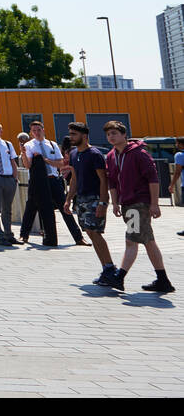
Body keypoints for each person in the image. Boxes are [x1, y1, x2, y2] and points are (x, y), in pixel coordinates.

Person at [103, 121, 174, 293]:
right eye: (108, 134)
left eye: (114, 133)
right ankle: (163, 280)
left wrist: (155, 204)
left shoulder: (139, 153)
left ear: (124, 135)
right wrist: (115, 202)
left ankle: (119, 277)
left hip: (138, 203)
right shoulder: (112, 156)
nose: (111, 137)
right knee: (148, 241)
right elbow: (111, 181)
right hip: (127, 203)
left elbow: (153, 179)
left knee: (131, 240)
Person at [63, 122, 116, 284]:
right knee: (90, 233)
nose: (71, 137)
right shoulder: (73, 154)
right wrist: (68, 199)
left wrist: (103, 202)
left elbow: (103, 180)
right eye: (70, 134)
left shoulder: (94, 154)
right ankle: (106, 269)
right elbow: (75, 179)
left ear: (84, 136)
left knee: (95, 232)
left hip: (94, 198)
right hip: (81, 199)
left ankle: (110, 269)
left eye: (74, 134)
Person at [20, 121, 85, 245]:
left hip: (53, 179)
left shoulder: (52, 144)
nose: (37, 133)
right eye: (34, 131)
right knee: (31, 207)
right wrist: (23, 153)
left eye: (39, 130)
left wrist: (46, 160)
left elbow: (61, 163)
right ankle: (24, 235)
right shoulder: (29, 146)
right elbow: (27, 165)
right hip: (37, 182)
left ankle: (78, 237)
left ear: (43, 130)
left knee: (64, 207)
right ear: (31, 133)